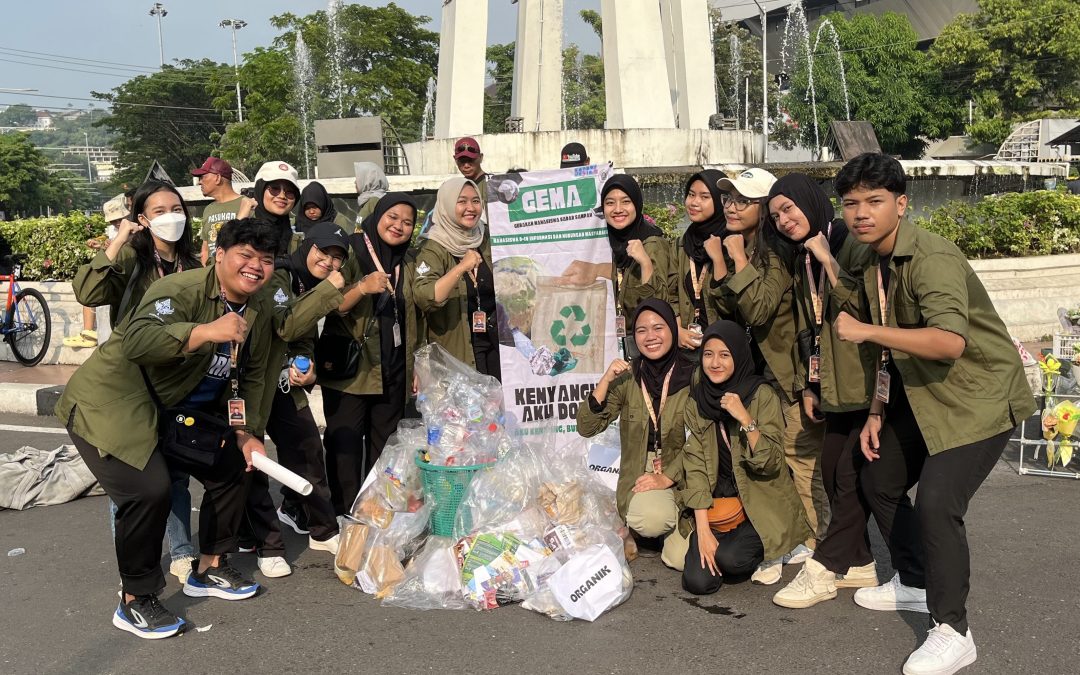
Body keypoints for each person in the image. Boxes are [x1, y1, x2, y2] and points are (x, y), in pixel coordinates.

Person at [822, 154, 1034, 675]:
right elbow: (887, 348)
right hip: (921, 395)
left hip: (979, 398)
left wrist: (867, 331)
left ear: (902, 204)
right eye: (852, 203)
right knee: (879, 477)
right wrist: (876, 409)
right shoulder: (865, 253)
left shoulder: (931, 259)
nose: (861, 213)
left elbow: (947, 342)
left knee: (938, 502)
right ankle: (915, 581)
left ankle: (954, 630)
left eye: (874, 201)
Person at [55, 218, 279, 639]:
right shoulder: (179, 290)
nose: (255, 267)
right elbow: (137, 343)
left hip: (174, 412)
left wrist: (246, 431)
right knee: (149, 490)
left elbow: (252, 375)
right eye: (245, 256)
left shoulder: (260, 305)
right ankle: (136, 600)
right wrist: (202, 332)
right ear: (220, 254)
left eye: (265, 260)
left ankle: (210, 566)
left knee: (235, 466)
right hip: (112, 402)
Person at [71, 180, 202, 582]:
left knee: (176, 473)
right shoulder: (132, 258)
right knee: (132, 482)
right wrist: (120, 237)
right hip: (131, 386)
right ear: (142, 218)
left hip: (177, 382)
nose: (170, 217)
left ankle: (181, 553)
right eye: (159, 211)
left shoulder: (194, 265)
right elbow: (88, 292)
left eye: (176, 208)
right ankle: (131, 566)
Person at [770, 174, 882, 610]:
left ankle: (827, 565)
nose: (783, 219)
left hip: (867, 383)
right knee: (836, 470)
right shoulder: (803, 258)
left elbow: (866, 312)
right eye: (777, 214)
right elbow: (809, 329)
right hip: (834, 383)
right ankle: (862, 561)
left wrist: (828, 260)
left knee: (860, 479)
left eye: (789, 209)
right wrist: (811, 387)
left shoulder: (847, 242)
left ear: (811, 203)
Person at [708, 168, 822, 580]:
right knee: (770, 458)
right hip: (757, 378)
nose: (731, 207)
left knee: (799, 461)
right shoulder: (747, 246)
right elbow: (724, 309)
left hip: (787, 376)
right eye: (728, 200)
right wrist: (723, 261)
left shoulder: (774, 253)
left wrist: (736, 258)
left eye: (743, 200)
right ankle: (792, 539)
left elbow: (758, 309)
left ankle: (814, 547)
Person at [677, 320, 812, 595]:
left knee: (731, 560)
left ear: (738, 357)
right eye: (708, 354)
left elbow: (771, 461)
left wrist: (746, 419)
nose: (715, 363)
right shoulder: (697, 400)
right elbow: (695, 467)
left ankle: (774, 548)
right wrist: (702, 530)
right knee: (698, 583)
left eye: (725, 355)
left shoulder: (761, 395)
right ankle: (729, 542)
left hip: (760, 503)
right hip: (718, 508)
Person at [250, 222, 351, 564]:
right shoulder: (279, 276)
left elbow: (301, 336)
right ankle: (268, 546)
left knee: (308, 449)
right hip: (249, 383)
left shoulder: (309, 282)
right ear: (307, 246)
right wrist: (330, 290)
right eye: (324, 252)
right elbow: (285, 324)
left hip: (281, 383)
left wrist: (304, 366)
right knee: (250, 461)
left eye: (338, 258)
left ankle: (323, 531)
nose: (330, 263)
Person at [320, 194, 422, 514]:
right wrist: (363, 287)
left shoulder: (407, 260)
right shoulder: (352, 250)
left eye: (407, 222)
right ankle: (345, 514)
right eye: (392, 217)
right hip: (351, 370)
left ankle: (378, 511)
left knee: (386, 449)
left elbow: (416, 316)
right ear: (377, 215)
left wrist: (418, 365)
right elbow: (330, 302)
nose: (399, 226)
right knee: (344, 447)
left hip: (392, 368)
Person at [576, 298, 694, 550]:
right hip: (643, 470)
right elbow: (587, 427)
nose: (650, 336)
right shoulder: (629, 378)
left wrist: (670, 475)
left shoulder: (694, 377)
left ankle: (683, 519)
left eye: (658, 327)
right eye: (641, 330)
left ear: (672, 330)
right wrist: (606, 380)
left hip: (688, 467)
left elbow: (704, 441)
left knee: (681, 560)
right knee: (650, 520)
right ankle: (663, 518)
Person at [414, 177, 500, 380]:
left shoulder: (486, 237)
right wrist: (461, 267)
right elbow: (425, 297)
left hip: (497, 346)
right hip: (459, 354)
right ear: (447, 204)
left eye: (475, 201)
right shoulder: (433, 247)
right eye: (461, 201)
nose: (470, 208)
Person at [672, 170, 728, 353]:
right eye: (690, 194)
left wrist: (719, 259)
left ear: (721, 202)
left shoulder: (733, 243)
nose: (694, 202)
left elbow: (732, 304)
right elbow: (671, 293)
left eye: (704, 197)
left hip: (723, 349)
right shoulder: (681, 245)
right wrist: (677, 330)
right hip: (687, 350)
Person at [63, 196, 128, 349]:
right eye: (113, 220)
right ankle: (88, 331)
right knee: (91, 289)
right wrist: (101, 246)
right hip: (113, 273)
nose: (117, 223)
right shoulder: (113, 231)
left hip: (124, 278)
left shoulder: (135, 228)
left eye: (120, 219)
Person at [193, 157, 242, 265]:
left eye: (203, 177)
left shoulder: (247, 204)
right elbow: (205, 249)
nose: (199, 182)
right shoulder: (208, 209)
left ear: (218, 178)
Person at [246, 161, 301, 255]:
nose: (282, 196)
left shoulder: (297, 227)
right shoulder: (243, 225)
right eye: (274, 189)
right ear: (260, 190)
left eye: (290, 192)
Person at [452, 137, 488, 212]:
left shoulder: (494, 184)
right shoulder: (456, 188)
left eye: (471, 160)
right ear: (455, 160)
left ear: (481, 157)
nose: (466, 165)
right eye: (462, 161)